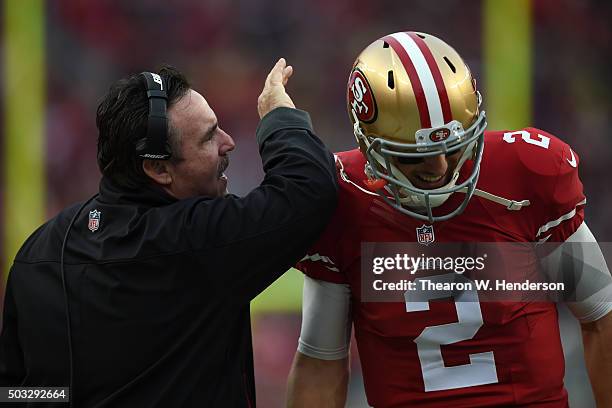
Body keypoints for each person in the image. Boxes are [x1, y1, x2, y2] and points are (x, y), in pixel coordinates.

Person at [287, 32, 612, 407]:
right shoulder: (341, 198)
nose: (438, 168)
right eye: (415, 154)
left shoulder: (524, 175)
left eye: (452, 148)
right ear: (367, 141)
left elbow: (601, 316)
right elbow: (321, 362)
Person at [0, 58, 338, 407]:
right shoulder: (192, 240)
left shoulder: (37, 253)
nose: (228, 142)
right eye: (209, 137)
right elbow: (309, 190)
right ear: (158, 169)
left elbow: (14, 391)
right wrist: (278, 117)